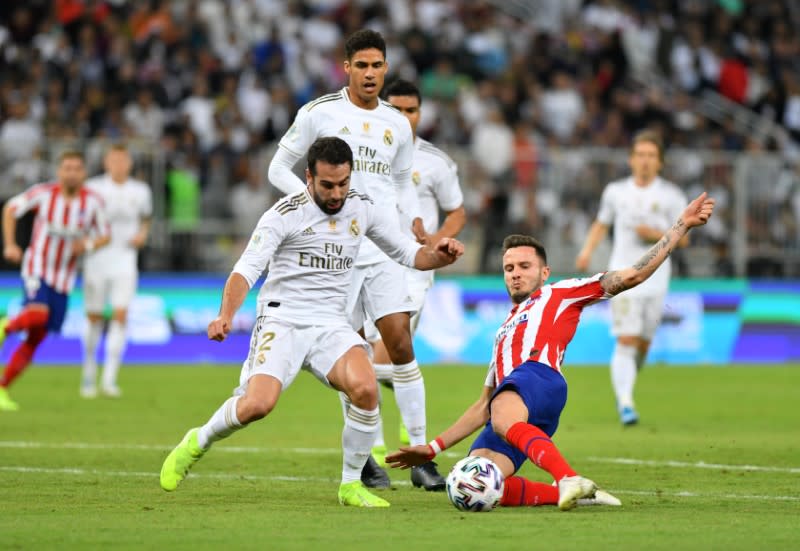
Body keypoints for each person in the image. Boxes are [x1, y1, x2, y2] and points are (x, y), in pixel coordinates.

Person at [159, 137, 464, 508]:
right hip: (283, 319)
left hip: (331, 325)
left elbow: (407, 253)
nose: (336, 193)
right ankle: (199, 440)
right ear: (308, 177)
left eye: (343, 183)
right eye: (327, 185)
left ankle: (351, 485)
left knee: (366, 390)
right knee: (257, 405)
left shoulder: (362, 209)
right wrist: (225, 315)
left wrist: (440, 256)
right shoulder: (284, 214)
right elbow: (246, 270)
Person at [386, 193, 715, 511]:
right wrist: (432, 449)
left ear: (544, 272)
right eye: (509, 268)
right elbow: (484, 406)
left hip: (538, 379)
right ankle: (573, 492)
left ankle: (568, 477)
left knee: (502, 414)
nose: (515, 273)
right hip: (517, 404)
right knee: (472, 481)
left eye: (524, 266)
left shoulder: (562, 292)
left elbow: (633, 274)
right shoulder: (502, 335)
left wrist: (680, 226)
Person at [267, 29, 445, 490]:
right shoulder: (319, 113)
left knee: (401, 344)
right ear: (345, 67)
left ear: (386, 68)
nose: (370, 73)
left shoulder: (397, 124)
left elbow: (402, 185)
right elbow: (276, 168)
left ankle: (421, 456)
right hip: (335, 251)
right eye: (361, 65)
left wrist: (415, 225)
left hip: (384, 248)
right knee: (353, 352)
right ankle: (366, 458)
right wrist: (311, 205)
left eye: (377, 65)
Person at [365, 79, 466, 477]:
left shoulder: (436, 162)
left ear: (421, 113)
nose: (405, 117)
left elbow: (457, 211)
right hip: (365, 261)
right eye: (397, 109)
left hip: (413, 267)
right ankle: (386, 455)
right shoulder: (365, 153)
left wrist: (436, 242)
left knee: (389, 353)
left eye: (412, 110)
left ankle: (395, 451)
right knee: (381, 357)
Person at [575, 130, 688, 425]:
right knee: (626, 339)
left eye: (651, 156)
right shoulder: (616, 192)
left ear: (660, 162)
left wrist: (656, 235)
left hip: (657, 279)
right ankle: (625, 402)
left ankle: (624, 386)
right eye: (640, 155)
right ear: (631, 159)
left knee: (643, 343)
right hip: (622, 277)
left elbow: (685, 240)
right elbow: (601, 224)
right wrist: (587, 251)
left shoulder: (672, 196)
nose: (645, 161)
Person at [0, 151, 110, 411]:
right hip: (36, 266)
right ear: (59, 171)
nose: (71, 173)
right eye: (67, 168)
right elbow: (10, 209)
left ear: (83, 173)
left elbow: (105, 235)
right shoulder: (43, 193)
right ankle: (5, 326)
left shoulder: (93, 203)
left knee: (37, 338)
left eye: (77, 168)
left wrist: (88, 244)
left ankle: (2, 387)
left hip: (64, 278)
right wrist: (11, 244)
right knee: (37, 315)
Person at [81, 144, 152, 398]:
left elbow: (146, 218)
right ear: (106, 163)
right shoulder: (93, 188)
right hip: (96, 260)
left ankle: (109, 379)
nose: (119, 165)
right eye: (115, 160)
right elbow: (82, 221)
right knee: (94, 318)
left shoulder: (141, 190)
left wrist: (142, 234)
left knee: (121, 315)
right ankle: (89, 374)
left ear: (129, 163)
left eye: (123, 160)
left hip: (125, 259)